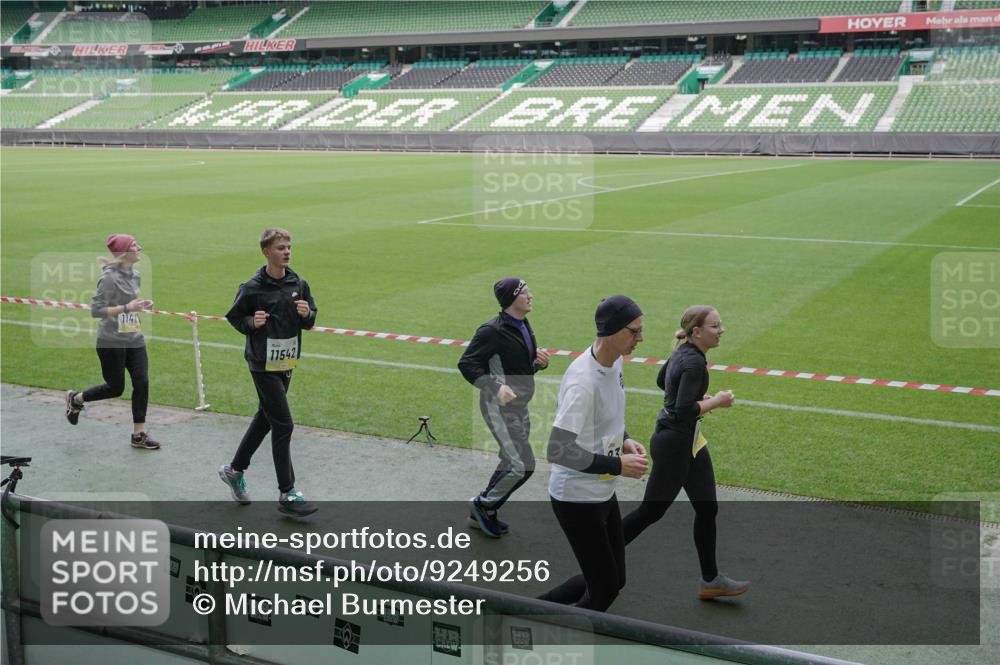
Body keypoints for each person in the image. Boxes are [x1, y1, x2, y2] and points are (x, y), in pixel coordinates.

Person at [621, 305, 748, 600]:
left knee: (707, 508)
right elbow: (682, 411)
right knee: (651, 512)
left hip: (689, 442)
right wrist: (716, 401)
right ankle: (600, 549)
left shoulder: (683, 352)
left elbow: (662, 382)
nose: (722, 330)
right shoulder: (692, 362)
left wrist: (695, 397)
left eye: (721, 324)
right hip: (675, 444)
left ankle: (710, 580)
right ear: (697, 332)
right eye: (716, 326)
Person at [538, 296, 648, 611]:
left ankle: (524, 611)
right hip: (576, 499)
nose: (640, 338)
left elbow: (606, 419)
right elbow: (558, 450)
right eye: (635, 331)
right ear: (611, 331)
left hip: (600, 490)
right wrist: (618, 465)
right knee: (604, 592)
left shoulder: (615, 361)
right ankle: (533, 630)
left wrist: (625, 440)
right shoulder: (582, 382)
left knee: (612, 581)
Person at [218, 228, 318, 517]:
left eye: (288, 247)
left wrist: (306, 315)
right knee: (283, 425)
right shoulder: (252, 288)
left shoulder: (298, 282)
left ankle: (234, 470)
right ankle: (287, 493)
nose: (286, 252)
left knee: (266, 417)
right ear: (266, 252)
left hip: (286, 363)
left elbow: (311, 319)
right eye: (280, 248)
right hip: (261, 363)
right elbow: (235, 317)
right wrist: (252, 322)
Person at [458, 278, 549, 537]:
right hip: (499, 408)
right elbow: (467, 364)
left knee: (512, 459)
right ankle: (483, 504)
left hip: (519, 406)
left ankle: (485, 512)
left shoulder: (522, 325)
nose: (531, 295)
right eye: (524, 292)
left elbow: (517, 368)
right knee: (523, 465)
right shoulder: (491, 330)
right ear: (511, 298)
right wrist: (495, 388)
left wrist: (537, 364)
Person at [65, 234, 160, 450]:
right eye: (135, 245)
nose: (140, 247)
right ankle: (76, 399)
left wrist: (141, 305)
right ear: (124, 252)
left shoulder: (135, 275)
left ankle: (139, 435)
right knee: (115, 388)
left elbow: (128, 304)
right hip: (111, 341)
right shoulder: (109, 278)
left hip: (134, 338)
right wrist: (127, 308)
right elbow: (96, 311)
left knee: (142, 382)